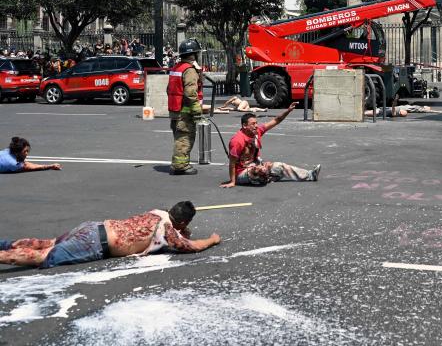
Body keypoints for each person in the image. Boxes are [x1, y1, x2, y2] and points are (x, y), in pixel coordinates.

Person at [0, 201, 220, 268]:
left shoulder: (157, 213)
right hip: (96, 242)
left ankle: (5, 244)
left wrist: (180, 228)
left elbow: (168, 229)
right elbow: (190, 246)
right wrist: (212, 239)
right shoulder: (168, 231)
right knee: (45, 256)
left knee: (48, 243)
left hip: (93, 227)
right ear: (182, 222)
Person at [220, 106, 320, 188]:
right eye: (253, 124)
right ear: (244, 126)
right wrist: (233, 182)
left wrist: (288, 110)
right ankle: (266, 177)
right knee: (261, 170)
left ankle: (310, 175)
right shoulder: (237, 140)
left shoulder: (257, 131)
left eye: (256, 123)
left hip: (255, 164)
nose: (256, 126)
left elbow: (277, 120)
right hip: (241, 173)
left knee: (279, 166)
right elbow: (232, 163)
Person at [168, 39, 204, 175]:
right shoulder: (189, 70)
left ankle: (181, 163)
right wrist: (196, 109)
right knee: (185, 138)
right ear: (193, 55)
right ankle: (180, 166)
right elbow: (190, 92)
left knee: (179, 137)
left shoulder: (176, 68)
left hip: (175, 109)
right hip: (184, 111)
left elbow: (169, 89)